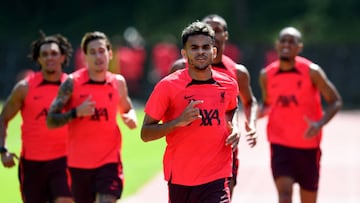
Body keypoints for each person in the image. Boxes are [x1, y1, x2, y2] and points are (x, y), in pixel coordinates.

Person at [141, 21, 240, 203]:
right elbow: (146, 133)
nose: (200, 52)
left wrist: (235, 128)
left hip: (216, 177)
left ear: (214, 51)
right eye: (194, 48)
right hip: (181, 178)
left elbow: (231, 110)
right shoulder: (167, 86)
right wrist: (178, 121)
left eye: (205, 47)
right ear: (184, 54)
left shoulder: (229, 85)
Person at [170, 14, 258, 196]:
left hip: (224, 149)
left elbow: (249, 102)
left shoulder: (237, 73)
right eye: (208, 29)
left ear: (225, 35)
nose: (213, 34)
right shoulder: (180, 69)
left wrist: (251, 124)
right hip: (187, 153)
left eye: (217, 30)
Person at [46, 31, 138, 203]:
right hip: (79, 164)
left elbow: (127, 108)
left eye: (102, 51)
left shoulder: (118, 82)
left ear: (110, 54)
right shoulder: (72, 83)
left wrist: (131, 117)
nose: (98, 56)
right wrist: (75, 112)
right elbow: (51, 119)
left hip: (109, 162)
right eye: (93, 52)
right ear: (85, 57)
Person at [258, 27, 342, 203]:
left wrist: (319, 123)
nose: (287, 44)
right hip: (280, 143)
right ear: (277, 45)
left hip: (308, 146)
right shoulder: (266, 75)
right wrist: (256, 114)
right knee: (284, 195)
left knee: (308, 200)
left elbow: (335, 101)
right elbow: (267, 104)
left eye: (292, 41)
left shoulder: (312, 71)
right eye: (283, 40)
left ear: (299, 47)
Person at [0, 32, 73, 203]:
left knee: (65, 200)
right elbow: (3, 118)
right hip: (32, 163)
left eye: (54, 53)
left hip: (64, 161)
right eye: (44, 54)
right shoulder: (24, 88)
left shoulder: (72, 86)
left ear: (62, 57)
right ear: (38, 59)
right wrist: (3, 150)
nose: (50, 58)